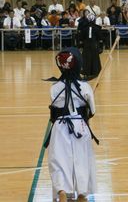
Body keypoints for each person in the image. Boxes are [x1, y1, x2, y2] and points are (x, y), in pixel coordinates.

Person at [45, 47, 99, 202]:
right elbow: (91, 112)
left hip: (60, 127)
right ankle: (81, 194)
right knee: (81, 160)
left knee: (59, 161)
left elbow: (54, 111)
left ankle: (61, 190)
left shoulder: (54, 88)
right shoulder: (85, 87)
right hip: (80, 127)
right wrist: (89, 98)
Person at [80, 14, 102, 79]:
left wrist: (81, 46)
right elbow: (100, 38)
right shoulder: (97, 28)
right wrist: (100, 46)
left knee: (86, 58)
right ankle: (95, 72)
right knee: (94, 58)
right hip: (94, 45)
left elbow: (81, 38)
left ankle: (86, 72)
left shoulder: (84, 28)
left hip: (86, 45)